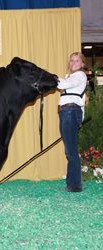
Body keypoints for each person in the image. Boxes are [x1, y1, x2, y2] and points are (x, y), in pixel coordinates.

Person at [57, 52, 87, 192]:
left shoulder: (80, 75)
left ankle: (74, 185)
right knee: (70, 150)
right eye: (71, 61)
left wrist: (50, 76)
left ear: (82, 64)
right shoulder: (72, 76)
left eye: (76, 61)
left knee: (70, 151)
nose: (73, 63)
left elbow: (63, 84)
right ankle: (73, 184)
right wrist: (80, 118)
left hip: (70, 112)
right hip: (68, 113)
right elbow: (82, 101)